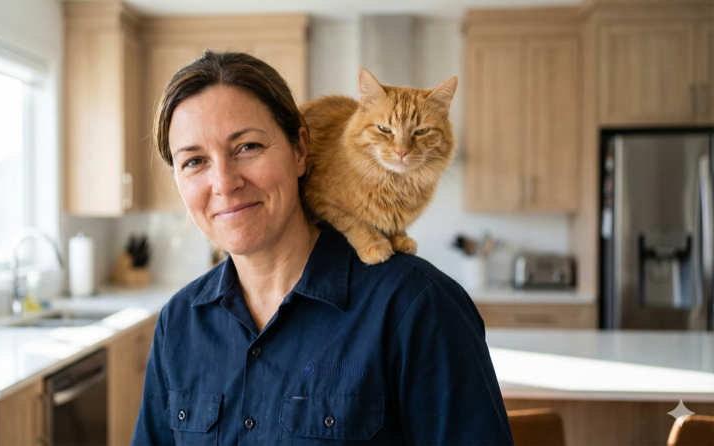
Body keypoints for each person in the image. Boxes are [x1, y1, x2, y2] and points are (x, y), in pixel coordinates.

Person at [131, 50, 513, 446]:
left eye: (247, 147)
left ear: (300, 150)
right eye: (193, 161)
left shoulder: (420, 308)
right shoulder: (177, 323)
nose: (224, 183)